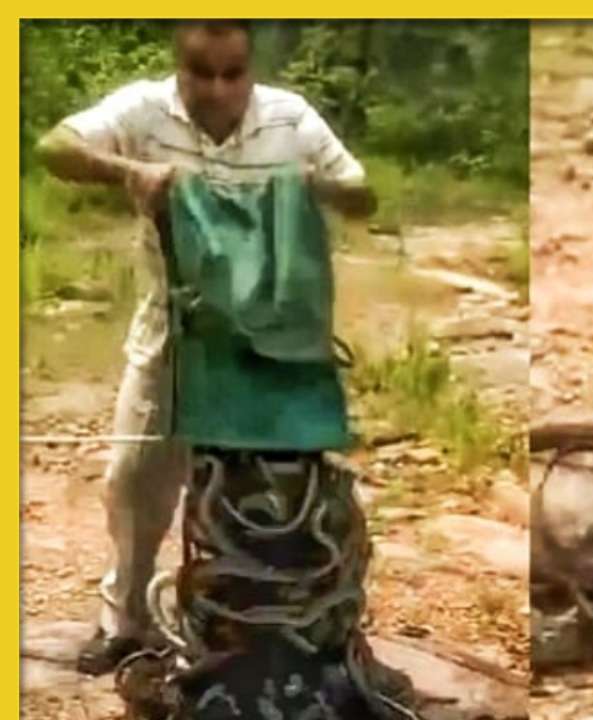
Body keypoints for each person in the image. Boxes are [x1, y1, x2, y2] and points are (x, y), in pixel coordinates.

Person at [35, 20, 376, 674]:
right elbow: (56, 147)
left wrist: (310, 185)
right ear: (178, 68)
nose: (218, 89)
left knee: (267, 486)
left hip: (272, 337)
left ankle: (260, 628)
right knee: (136, 477)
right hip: (174, 323)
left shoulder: (289, 118)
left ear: (251, 70)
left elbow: (362, 194)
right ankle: (125, 622)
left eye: (232, 74)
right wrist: (130, 171)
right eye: (201, 73)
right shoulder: (144, 109)